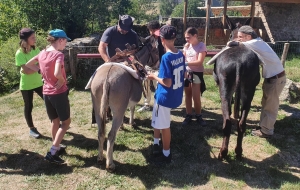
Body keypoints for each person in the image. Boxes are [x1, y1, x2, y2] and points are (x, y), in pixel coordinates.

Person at [227, 25, 286, 138]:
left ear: (248, 37)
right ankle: (263, 126)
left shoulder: (254, 42)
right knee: (266, 103)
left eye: (240, 37)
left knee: (270, 106)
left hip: (276, 79)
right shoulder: (258, 42)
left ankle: (267, 131)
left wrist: (234, 41)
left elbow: (231, 44)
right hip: (273, 78)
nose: (238, 38)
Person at [25, 29, 71, 164]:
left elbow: (28, 65)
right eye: (65, 41)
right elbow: (57, 73)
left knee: (55, 121)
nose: (66, 44)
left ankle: (55, 145)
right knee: (66, 123)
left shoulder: (42, 52)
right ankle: (52, 151)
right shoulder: (58, 55)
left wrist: (40, 71)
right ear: (60, 40)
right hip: (59, 93)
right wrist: (61, 79)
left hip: (46, 93)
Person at [147, 25, 185, 164]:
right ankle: (156, 143)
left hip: (165, 96)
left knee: (164, 126)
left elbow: (167, 82)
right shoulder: (180, 54)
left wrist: (153, 77)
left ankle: (166, 153)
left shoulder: (165, 58)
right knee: (157, 119)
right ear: (174, 38)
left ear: (162, 39)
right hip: (176, 94)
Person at [98, 14, 139, 119]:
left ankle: (133, 97)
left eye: (127, 29)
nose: (124, 31)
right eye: (123, 28)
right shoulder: (110, 31)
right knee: (98, 77)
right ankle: (102, 109)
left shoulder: (133, 34)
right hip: (111, 60)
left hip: (127, 61)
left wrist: (131, 58)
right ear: (118, 23)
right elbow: (102, 46)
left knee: (138, 75)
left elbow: (135, 50)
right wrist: (107, 60)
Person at [15, 28, 44, 138]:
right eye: (33, 38)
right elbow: (26, 71)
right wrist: (37, 68)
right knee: (29, 106)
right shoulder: (19, 53)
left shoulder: (35, 49)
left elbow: (41, 62)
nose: (35, 39)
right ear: (26, 40)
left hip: (38, 82)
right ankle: (32, 129)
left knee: (48, 101)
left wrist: (32, 68)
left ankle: (55, 122)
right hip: (26, 85)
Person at [182, 27, 207, 127]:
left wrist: (186, 63)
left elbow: (199, 62)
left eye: (188, 37)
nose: (187, 40)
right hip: (187, 73)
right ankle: (188, 115)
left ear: (195, 35)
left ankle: (198, 115)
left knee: (196, 96)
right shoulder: (187, 46)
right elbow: (183, 57)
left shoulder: (201, 46)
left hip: (196, 73)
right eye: (186, 38)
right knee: (187, 95)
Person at [137, 20, 165, 112]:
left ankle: (160, 105)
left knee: (159, 86)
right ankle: (146, 104)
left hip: (160, 66)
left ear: (158, 29)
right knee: (146, 84)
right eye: (151, 30)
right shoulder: (148, 39)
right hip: (148, 67)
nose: (152, 32)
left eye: (154, 30)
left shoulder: (164, 39)